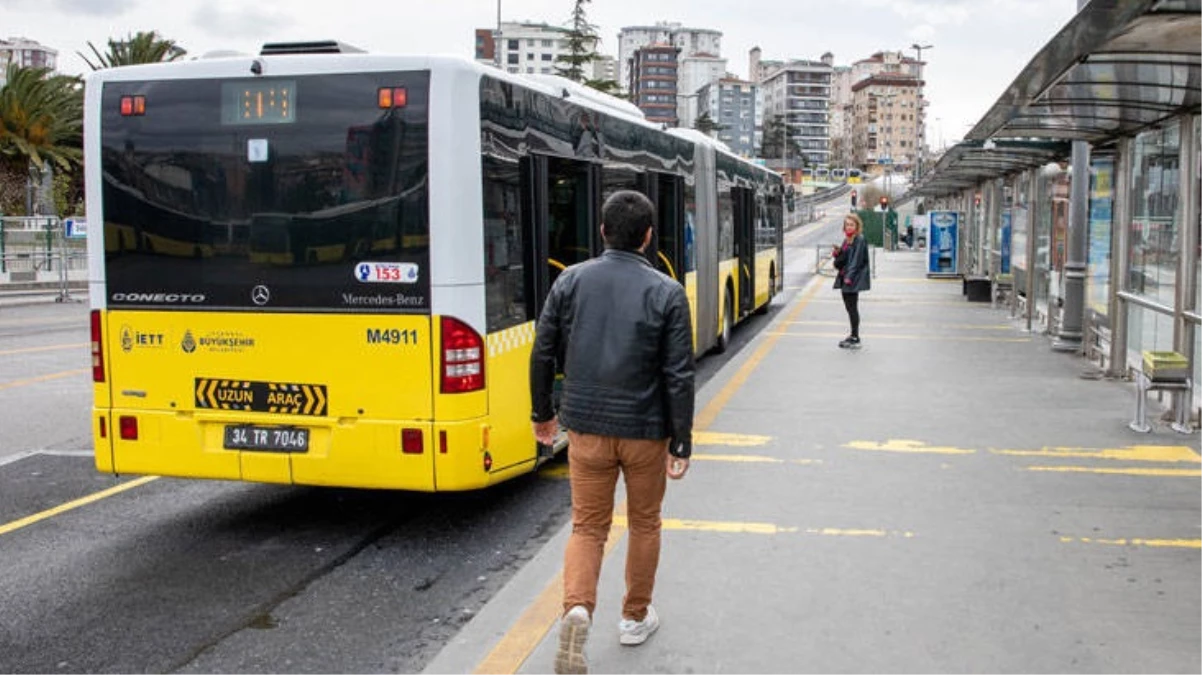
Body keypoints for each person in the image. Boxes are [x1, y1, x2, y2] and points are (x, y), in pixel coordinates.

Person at [530, 190, 694, 675]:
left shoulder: (571, 282)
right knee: (644, 523)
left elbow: (542, 351)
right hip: (646, 431)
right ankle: (634, 618)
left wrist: (543, 413)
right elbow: (678, 374)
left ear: (602, 231)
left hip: (586, 429)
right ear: (648, 237)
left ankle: (577, 608)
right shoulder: (667, 292)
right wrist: (681, 440)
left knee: (587, 526)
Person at [832, 213, 871, 348]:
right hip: (845, 278)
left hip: (851, 279)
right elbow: (845, 259)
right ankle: (853, 335)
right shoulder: (847, 240)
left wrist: (849, 277)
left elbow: (856, 261)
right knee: (849, 308)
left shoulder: (859, 240)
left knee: (852, 308)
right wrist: (838, 253)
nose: (849, 227)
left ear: (857, 226)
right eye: (847, 224)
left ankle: (855, 337)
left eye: (851, 225)